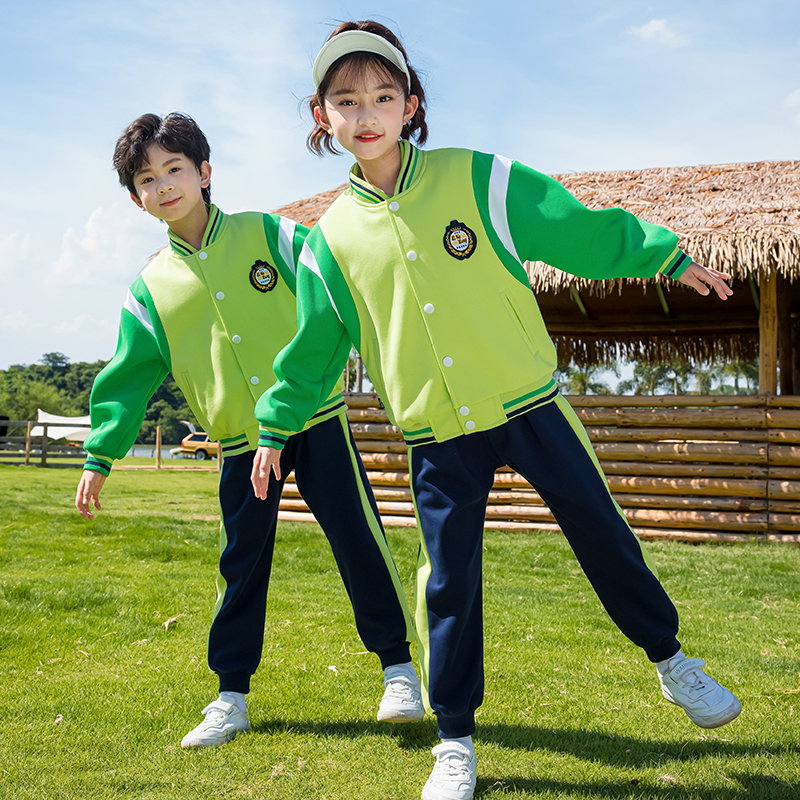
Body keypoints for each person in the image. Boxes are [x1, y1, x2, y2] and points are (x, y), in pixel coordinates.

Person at [250, 21, 744, 800]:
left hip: (532, 407)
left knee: (604, 537)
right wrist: (277, 425)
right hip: (437, 435)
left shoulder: (480, 179)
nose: (367, 112)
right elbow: (313, 349)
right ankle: (455, 741)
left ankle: (673, 662)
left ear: (412, 105)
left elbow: (576, 229)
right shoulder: (327, 241)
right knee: (449, 584)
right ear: (323, 117)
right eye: (347, 101)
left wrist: (665, 255)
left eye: (383, 95)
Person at [75, 111, 423, 750]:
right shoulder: (149, 290)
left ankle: (399, 671)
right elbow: (126, 378)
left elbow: (334, 291)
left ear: (204, 173)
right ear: (136, 198)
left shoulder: (272, 235)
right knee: (241, 565)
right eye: (149, 179)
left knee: (358, 541)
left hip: (313, 420)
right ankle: (229, 696)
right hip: (239, 443)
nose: (165, 185)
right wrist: (99, 455)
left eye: (175, 169)